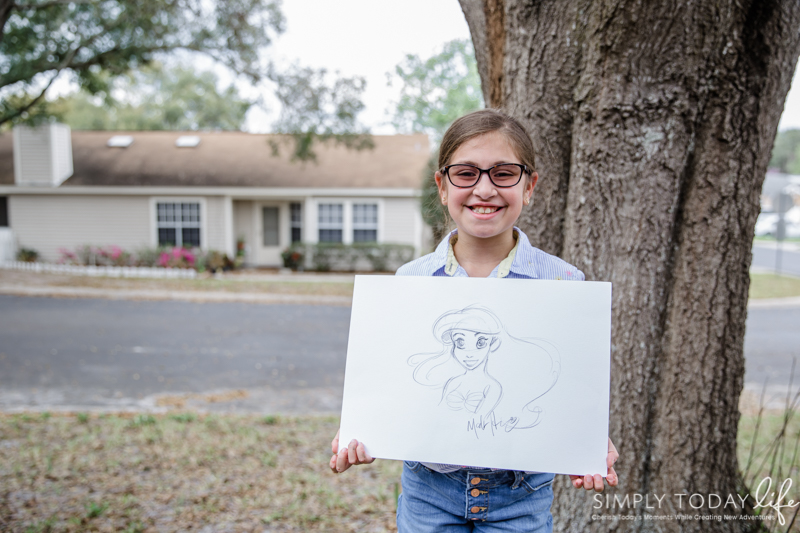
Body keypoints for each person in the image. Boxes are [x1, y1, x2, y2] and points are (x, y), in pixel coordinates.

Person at [329, 109, 619, 532]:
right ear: (443, 186)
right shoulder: (409, 283)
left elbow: (571, 390)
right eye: (466, 173)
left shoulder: (564, 282)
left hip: (521, 496)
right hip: (430, 493)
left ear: (529, 185)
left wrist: (589, 441)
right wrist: (364, 428)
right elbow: (390, 385)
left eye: (503, 173)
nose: (484, 188)